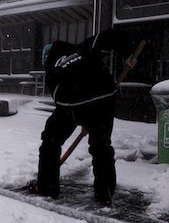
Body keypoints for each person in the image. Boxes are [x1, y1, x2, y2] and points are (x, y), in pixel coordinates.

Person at [35, 29, 137, 206]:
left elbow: (60, 99)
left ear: (47, 58)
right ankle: (104, 194)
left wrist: (79, 116)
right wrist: (128, 54)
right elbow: (113, 35)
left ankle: (46, 187)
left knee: (50, 140)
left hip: (73, 101)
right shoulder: (84, 48)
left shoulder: (52, 67)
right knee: (101, 145)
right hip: (104, 96)